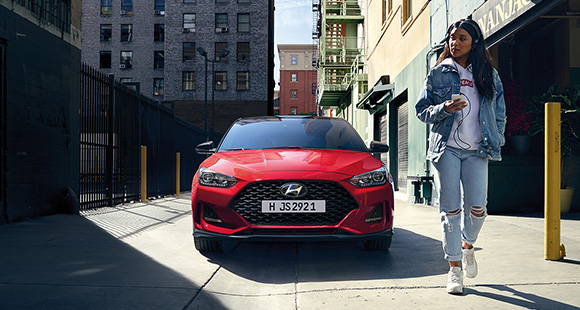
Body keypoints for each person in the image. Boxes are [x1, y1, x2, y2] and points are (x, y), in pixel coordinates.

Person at [415, 18, 506, 295]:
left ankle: (468, 246)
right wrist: (444, 107)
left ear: (474, 42)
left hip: (478, 149)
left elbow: (499, 112)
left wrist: (497, 137)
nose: (455, 43)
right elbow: (421, 110)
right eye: (452, 38)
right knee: (450, 211)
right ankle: (454, 270)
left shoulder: (488, 75)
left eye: (462, 38)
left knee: (478, 208)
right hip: (446, 149)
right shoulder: (438, 73)